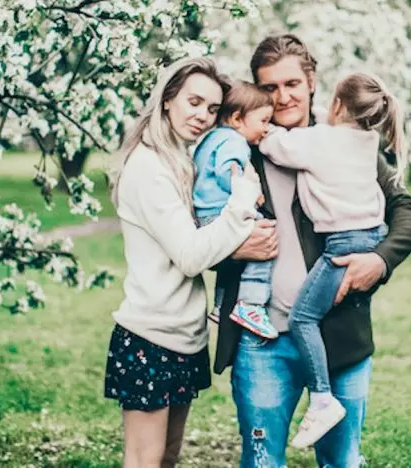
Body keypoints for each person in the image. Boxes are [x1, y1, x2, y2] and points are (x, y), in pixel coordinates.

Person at [212, 34, 411, 467]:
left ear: (312, 82)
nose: (282, 96)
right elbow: (195, 231)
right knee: (261, 461)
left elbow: (410, 211)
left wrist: (379, 260)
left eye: (292, 83)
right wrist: (233, 249)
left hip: (339, 337)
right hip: (262, 342)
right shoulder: (236, 152)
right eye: (269, 87)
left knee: (342, 462)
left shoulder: (347, 143)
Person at [104, 57, 263, 468]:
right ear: (168, 98)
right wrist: (242, 202)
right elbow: (192, 255)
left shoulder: (177, 159)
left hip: (184, 335)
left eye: (212, 109)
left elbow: (200, 243)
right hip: (150, 337)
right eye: (194, 101)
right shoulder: (148, 167)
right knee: (145, 460)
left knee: (168, 457)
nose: (203, 116)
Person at [258, 71, 406, 448]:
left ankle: (322, 399)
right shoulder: (365, 139)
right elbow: (332, 125)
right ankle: (323, 398)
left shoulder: (317, 140)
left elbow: (276, 145)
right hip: (371, 234)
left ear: (335, 104)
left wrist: (260, 126)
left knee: (303, 317)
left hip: (343, 243)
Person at [192, 80, 278, 339]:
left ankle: (221, 305)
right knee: (266, 237)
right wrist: (251, 190)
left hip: (204, 214)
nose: (267, 128)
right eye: (263, 121)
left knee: (234, 260)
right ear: (238, 118)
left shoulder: (212, 138)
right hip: (219, 211)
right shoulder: (235, 142)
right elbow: (226, 173)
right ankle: (250, 304)